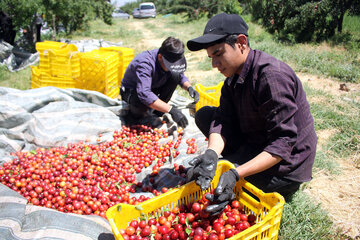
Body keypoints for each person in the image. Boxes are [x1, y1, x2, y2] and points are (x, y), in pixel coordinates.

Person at [186, 13, 317, 215]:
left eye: (219, 54)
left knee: (231, 187)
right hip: (258, 140)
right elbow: (223, 118)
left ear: (241, 42)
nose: (214, 64)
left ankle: (243, 169)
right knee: (205, 115)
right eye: (211, 57)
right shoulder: (232, 77)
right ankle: (237, 162)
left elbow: (284, 142)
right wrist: (212, 153)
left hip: (286, 164)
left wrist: (236, 174)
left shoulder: (271, 76)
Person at [120, 36, 199, 128]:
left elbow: (180, 75)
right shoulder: (145, 63)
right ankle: (135, 116)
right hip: (133, 91)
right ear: (160, 57)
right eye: (169, 65)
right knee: (139, 109)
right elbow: (144, 93)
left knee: (175, 75)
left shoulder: (170, 55)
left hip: (152, 86)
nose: (171, 68)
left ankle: (158, 112)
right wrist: (171, 110)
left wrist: (189, 88)